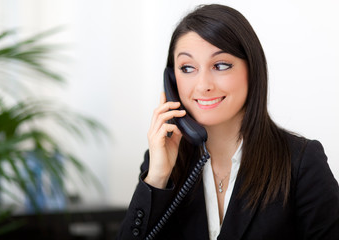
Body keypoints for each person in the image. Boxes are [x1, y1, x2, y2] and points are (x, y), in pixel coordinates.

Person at [117, 4, 339, 240]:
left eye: (220, 65)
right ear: (172, 82)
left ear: (251, 70)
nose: (203, 85)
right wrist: (157, 179)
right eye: (187, 68)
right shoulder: (161, 161)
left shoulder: (300, 162)